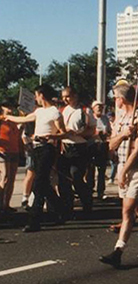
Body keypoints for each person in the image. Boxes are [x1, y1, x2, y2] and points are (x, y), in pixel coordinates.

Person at [99, 84, 138, 268]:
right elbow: (111, 145)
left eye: (116, 97)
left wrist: (126, 170)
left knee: (127, 209)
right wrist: (124, 134)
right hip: (122, 165)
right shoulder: (121, 119)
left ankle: (118, 251)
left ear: (122, 99)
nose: (114, 101)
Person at [2, 85, 67, 232]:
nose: (35, 98)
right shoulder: (39, 111)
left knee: (38, 184)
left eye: (36, 95)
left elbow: (64, 133)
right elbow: (24, 119)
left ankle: (34, 221)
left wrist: (51, 136)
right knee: (42, 183)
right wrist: (7, 117)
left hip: (47, 148)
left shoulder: (54, 112)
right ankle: (61, 209)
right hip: (36, 149)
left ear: (42, 96)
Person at [58, 87, 94, 215]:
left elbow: (92, 130)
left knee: (76, 177)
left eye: (67, 96)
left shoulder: (85, 111)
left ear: (75, 96)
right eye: (63, 97)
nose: (65, 99)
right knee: (63, 179)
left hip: (79, 147)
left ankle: (87, 203)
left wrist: (78, 133)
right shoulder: (62, 110)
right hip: (64, 146)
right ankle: (67, 207)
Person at [86, 100, 111, 200]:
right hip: (92, 145)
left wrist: (106, 134)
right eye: (98, 107)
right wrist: (96, 132)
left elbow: (109, 131)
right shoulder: (90, 118)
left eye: (101, 107)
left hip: (102, 145)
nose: (100, 108)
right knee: (90, 170)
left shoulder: (105, 118)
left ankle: (101, 191)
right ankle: (89, 190)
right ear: (93, 108)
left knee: (101, 170)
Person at [0, 103, 22, 213]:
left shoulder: (13, 121)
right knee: (5, 177)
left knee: (12, 179)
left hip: (14, 151)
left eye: (11, 106)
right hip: (2, 151)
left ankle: (6, 204)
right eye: (7, 106)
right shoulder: (1, 120)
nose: (10, 108)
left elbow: (18, 136)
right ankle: (0, 204)